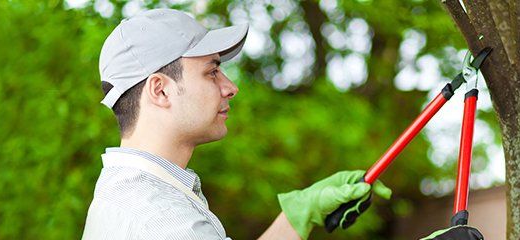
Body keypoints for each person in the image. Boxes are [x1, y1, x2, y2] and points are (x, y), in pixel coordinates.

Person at [81, 8, 482, 240]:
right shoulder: (162, 221)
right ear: (160, 90)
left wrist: (295, 217)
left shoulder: (134, 194)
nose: (230, 87)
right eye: (211, 72)